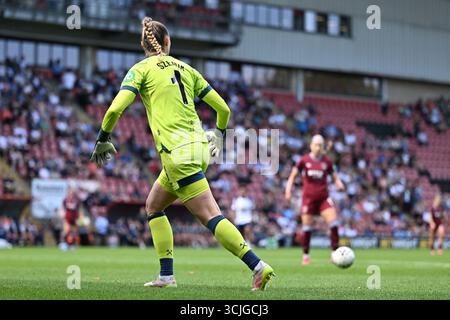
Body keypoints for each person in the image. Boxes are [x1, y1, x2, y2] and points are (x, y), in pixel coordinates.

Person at [90, 17, 274, 291]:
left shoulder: (140, 70)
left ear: (144, 45)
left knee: (210, 216)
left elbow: (116, 109)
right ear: (168, 42)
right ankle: (166, 276)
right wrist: (220, 136)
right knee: (154, 206)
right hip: (198, 149)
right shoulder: (187, 69)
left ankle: (258, 266)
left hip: (177, 154)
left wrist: (103, 139)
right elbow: (223, 108)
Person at [285, 134, 346, 265]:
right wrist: (288, 190)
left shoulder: (326, 161)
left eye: (320, 145)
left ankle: (334, 254)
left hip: (324, 199)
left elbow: (334, 176)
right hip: (308, 200)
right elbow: (292, 176)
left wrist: (339, 184)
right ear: (311, 145)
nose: (318, 147)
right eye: (316, 144)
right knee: (307, 227)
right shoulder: (304, 160)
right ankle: (306, 255)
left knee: (334, 223)